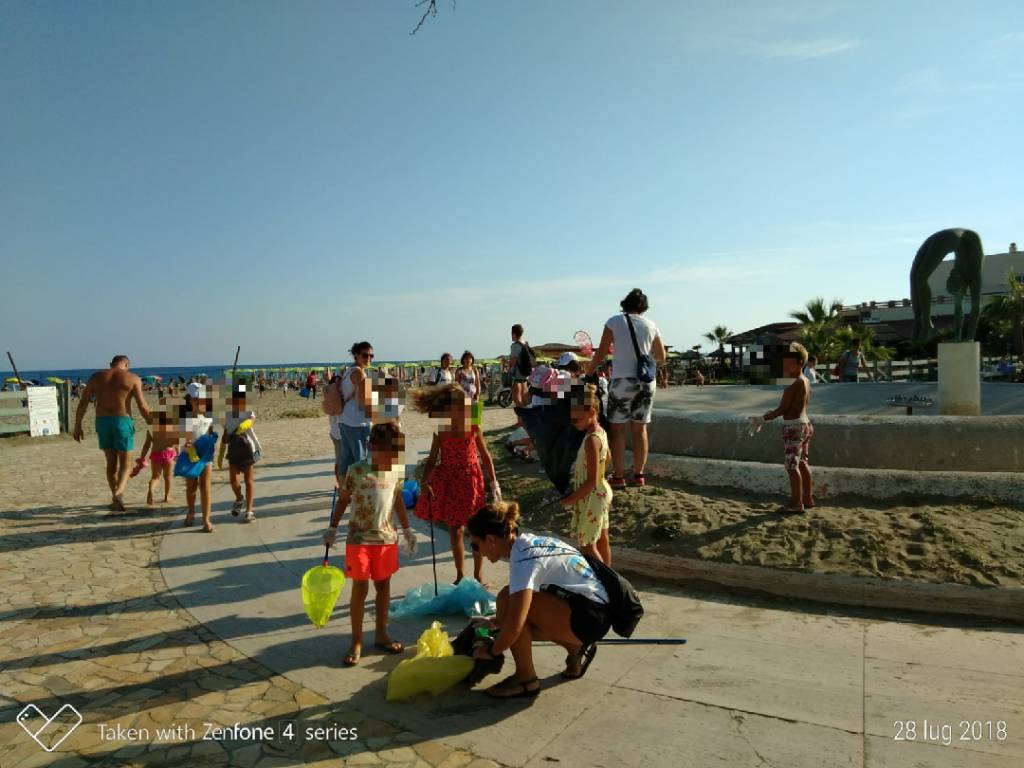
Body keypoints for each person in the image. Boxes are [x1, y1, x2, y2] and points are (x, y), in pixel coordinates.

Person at [468, 501, 612, 698]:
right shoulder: (528, 544)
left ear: (491, 540)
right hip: (594, 614)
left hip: (590, 618)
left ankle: (525, 679)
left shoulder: (524, 559)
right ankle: (575, 648)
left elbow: (516, 622)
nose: (477, 552)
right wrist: (495, 622)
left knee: (509, 603)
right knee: (510, 603)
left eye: (475, 545)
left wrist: (491, 651)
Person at [323, 422, 417, 666]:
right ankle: (356, 640)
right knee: (360, 590)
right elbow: (343, 500)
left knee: (384, 588)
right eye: (388, 453)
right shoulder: (356, 471)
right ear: (371, 447)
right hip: (359, 540)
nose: (392, 458)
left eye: (396, 454)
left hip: (386, 539)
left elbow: (397, 500)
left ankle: (381, 633)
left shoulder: (396, 471)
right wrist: (332, 528)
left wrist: (407, 529)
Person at [411, 383, 500, 586]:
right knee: (456, 530)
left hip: (471, 481)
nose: (464, 408)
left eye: (465, 404)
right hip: (450, 480)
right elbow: (433, 458)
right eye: (460, 405)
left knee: (476, 530)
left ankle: (478, 575)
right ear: (448, 407)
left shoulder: (473, 424)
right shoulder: (440, 428)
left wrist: (494, 482)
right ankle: (460, 574)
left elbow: (485, 455)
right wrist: (424, 481)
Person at [585, 288, 667, 489]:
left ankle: (619, 476)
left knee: (617, 429)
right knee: (640, 429)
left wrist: (589, 371)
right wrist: (645, 363)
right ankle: (639, 475)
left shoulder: (614, 321)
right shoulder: (651, 325)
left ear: (625, 303)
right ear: (643, 307)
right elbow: (662, 357)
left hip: (622, 380)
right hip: (646, 382)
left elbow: (602, 351)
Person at [73, 355, 152, 512]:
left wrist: (77, 425)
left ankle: (115, 499)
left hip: (102, 422)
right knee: (126, 463)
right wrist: (154, 423)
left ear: (111, 364)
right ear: (127, 364)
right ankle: (119, 493)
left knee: (111, 463)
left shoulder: (96, 377)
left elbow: (83, 402)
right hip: (122, 421)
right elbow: (142, 406)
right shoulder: (133, 378)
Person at [559, 384, 613, 563]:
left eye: (576, 419)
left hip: (592, 495)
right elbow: (609, 458)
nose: (574, 424)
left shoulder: (591, 440)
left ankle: (603, 583)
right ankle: (611, 582)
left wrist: (571, 499)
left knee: (587, 545)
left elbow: (590, 481)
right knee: (602, 539)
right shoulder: (600, 433)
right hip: (600, 491)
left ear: (591, 412)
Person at [763, 343, 814, 513]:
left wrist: (766, 416)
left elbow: (783, 409)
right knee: (803, 463)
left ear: (800, 363)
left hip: (793, 427)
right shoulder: (806, 381)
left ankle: (796, 502)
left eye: (787, 362)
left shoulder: (792, 384)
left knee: (792, 466)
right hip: (806, 424)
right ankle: (808, 498)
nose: (784, 366)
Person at [329, 342, 377, 489]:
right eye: (365, 355)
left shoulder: (348, 371)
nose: (369, 358)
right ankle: (362, 493)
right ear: (356, 355)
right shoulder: (359, 373)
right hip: (358, 424)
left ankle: (345, 492)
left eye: (371, 355)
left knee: (346, 460)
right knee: (362, 461)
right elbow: (365, 401)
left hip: (344, 421)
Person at [175, 383, 218, 532]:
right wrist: (193, 453)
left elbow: (210, 434)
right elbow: (187, 442)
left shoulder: (209, 417)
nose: (203, 402)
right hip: (191, 456)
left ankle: (206, 519)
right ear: (191, 400)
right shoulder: (186, 419)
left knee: (206, 487)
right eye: (199, 399)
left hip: (206, 457)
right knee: (191, 487)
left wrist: (212, 441)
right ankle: (191, 511)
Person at [225, 385, 259, 522]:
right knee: (233, 481)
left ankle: (249, 511)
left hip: (247, 447)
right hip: (233, 447)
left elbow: (252, 419)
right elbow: (226, 429)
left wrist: (244, 425)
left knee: (249, 480)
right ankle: (239, 498)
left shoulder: (247, 409)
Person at [135, 406, 179, 505]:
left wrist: (142, 458)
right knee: (167, 477)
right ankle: (167, 496)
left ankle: (151, 490)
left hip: (156, 455)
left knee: (155, 477)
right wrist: (178, 454)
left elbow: (146, 445)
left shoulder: (151, 429)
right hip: (168, 454)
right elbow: (175, 443)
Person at [508, 324, 533, 407]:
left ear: (514, 334)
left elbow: (513, 361)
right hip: (525, 374)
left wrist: (509, 370)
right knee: (525, 398)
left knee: (517, 399)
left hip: (517, 375)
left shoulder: (515, 346)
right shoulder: (525, 343)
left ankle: (521, 419)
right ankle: (527, 419)